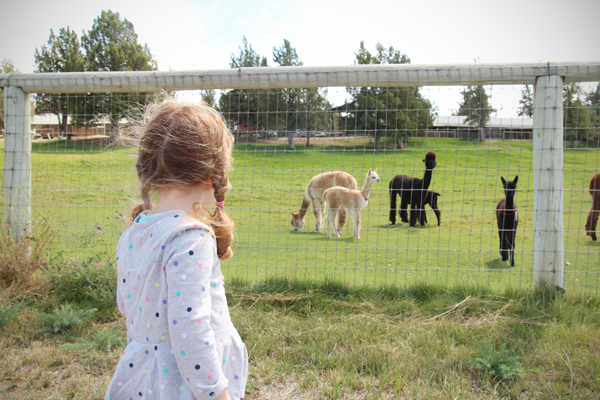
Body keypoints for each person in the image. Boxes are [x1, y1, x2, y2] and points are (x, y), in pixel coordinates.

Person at [105, 97, 248, 400]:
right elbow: (191, 331)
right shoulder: (191, 237)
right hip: (181, 387)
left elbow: (127, 304)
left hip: (140, 377)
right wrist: (216, 394)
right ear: (214, 174)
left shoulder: (135, 232)